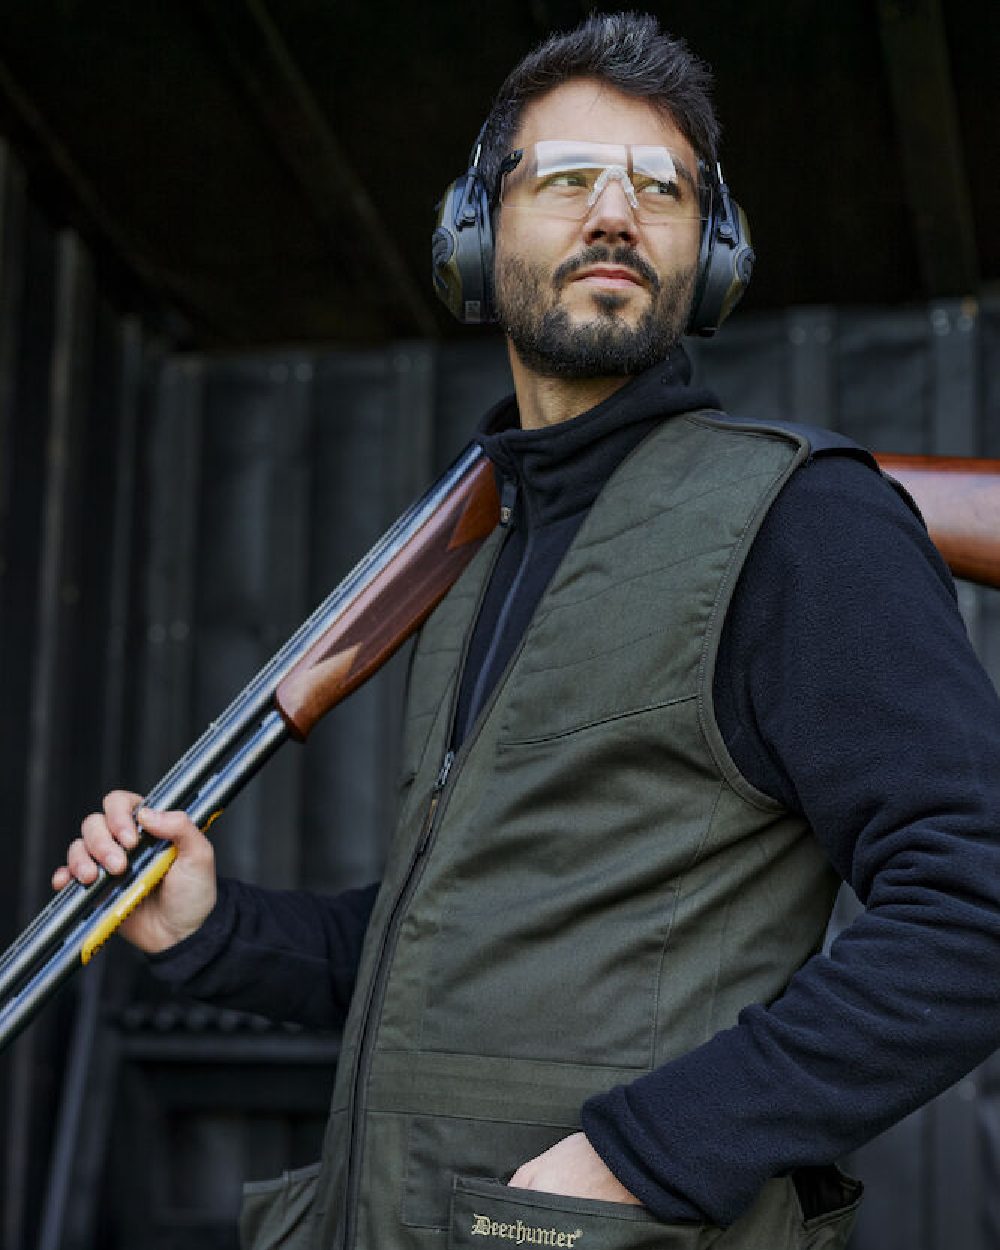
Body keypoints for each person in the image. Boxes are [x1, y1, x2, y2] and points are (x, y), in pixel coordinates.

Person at [54, 13, 1000, 1250]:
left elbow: (974, 901)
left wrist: (645, 1152)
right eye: (565, 178)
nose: (614, 211)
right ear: (473, 231)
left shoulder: (801, 523)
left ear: (708, 254)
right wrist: (217, 928)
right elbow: (447, 950)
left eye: (660, 186)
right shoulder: (485, 560)